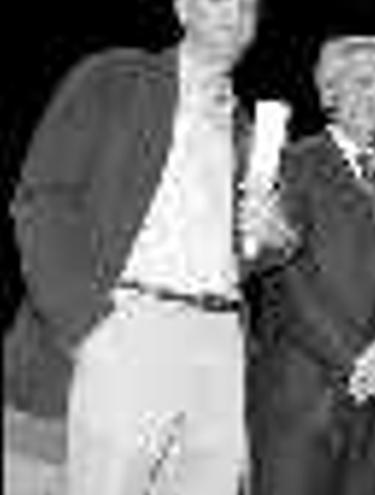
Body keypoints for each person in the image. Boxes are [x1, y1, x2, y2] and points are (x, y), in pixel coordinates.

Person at [4, 0, 260, 493]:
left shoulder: (245, 127)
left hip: (221, 337)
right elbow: (43, 199)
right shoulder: (115, 77)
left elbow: (238, 251)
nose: (237, 11)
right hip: (133, 324)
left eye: (248, 3)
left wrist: (266, 238)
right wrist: (86, 326)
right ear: (183, 8)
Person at [245, 35, 375, 495]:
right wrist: (357, 359)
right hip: (299, 402)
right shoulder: (287, 163)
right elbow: (288, 279)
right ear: (329, 94)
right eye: (363, 82)